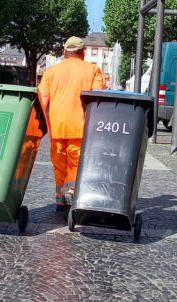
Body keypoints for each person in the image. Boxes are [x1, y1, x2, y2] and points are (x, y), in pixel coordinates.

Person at [37, 36, 107, 212]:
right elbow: (98, 96)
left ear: (65, 52)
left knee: (59, 162)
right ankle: (70, 195)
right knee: (75, 164)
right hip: (80, 127)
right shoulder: (92, 70)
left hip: (57, 126)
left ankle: (60, 200)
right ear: (82, 52)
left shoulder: (51, 71)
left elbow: (43, 98)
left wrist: (45, 123)